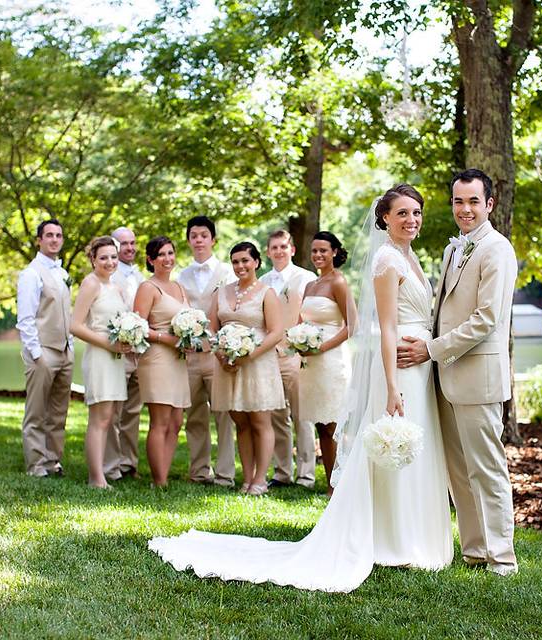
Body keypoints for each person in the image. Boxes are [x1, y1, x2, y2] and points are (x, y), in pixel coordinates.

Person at [149, 185, 453, 592]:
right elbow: (386, 328)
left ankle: (413, 534)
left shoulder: (409, 256)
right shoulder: (385, 260)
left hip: (420, 364)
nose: (411, 220)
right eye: (402, 213)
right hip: (397, 366)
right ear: (384, 219)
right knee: (389, 445)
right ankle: (393, 540)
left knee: (416, 445)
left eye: (416, 212)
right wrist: (392, 386)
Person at [397, 168, 519, 576]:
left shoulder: (497, 249)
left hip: (477, 377)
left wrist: (430, 350)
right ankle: (475, 551)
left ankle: (502, 558)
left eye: (472, 201)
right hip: (445, 376)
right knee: (459, 472)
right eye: (457, 201)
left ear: (489, 204)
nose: (464, 209)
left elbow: (486, 319)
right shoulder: (454, 250)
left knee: (487, 469)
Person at [209, 242, 285, 495]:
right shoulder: (221, 292)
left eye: (245, 260)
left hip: (258, 364)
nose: (240, 266)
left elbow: (276, 333)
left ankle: (261, 479)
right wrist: (221, 354)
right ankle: (247, 477)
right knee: (240, 420)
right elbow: (212, 329)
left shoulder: (267, 292)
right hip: (228, 364)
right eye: (235, 261)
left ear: (256, 262)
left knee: (260, 420)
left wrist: (249, 355)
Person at [176, 216, 237, 486]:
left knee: (224, 414)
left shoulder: (227, 272)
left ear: (213, 240)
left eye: (203, 235)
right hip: (190, 356)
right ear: (189, 241)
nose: (198, 240)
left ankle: (225, 473)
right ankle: (199, 470)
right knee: (195, 414)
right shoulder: (182, 276)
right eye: (193, 236)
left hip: (217, 355)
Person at [70, 237, 132, 488]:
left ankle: (103, 472)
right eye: (103, 257)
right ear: (93, 259)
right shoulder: (90, 283)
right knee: (100, 418)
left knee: (110, 417)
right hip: (100, 356)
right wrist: (107, 344)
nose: (109, 262)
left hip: (116, 358)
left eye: (113, 257)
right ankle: (96, 478)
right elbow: (74, 325)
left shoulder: (116, 288)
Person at [259, 229, 318, 489]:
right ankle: (282, 472)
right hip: (271, 356)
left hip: (299, 354)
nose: (279, 251)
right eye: (274, 247)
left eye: (284, 246)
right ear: (269, 252)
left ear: (292, 249)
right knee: (276, 415)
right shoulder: (263, 282)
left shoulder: (307, 278)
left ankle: (306, 474)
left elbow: (314, 315)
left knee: (302, 415)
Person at [17, 219, 74, 478]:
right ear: (39, 240)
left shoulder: (62, 273)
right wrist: (37, 354)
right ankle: (36, 465)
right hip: (43, 352)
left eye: (58, 235)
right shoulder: (31, 273)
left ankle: (53, 460)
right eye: (49, 235)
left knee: (58, 412)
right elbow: (26, 319)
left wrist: (69, 346)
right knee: (37, 412)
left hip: (64, 351)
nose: (54, 239)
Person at [298, 231, 354, 496]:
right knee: (321, 422)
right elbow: (303, 320)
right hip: (311, 362)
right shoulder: (310, 285)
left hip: (332, 359)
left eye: (323, 250)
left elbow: (352, 326)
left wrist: (322, 347)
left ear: (334, 252)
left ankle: (340, 485)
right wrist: (298, 342)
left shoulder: (338, 282)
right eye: (314, 251)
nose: (318, 255)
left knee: (333, 423)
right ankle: (331, 481)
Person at [134, 236, 192, 487]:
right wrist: (167, 338)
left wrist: (192, 336)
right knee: (160, 420)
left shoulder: (178, 287)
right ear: (150, 260)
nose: (168, 259)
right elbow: (138, 327)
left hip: (178, 359)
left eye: (171, 253)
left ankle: (163, 476)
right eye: (161, 255)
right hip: (157, 358)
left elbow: (190, 318)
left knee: (176, 420)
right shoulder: (148, 288)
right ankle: (159, 481)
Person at [105, 226, 145, 481]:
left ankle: (129, 463)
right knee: (113, 411)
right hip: (117, 352)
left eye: (132, 243)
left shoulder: (141, 276)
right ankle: (111, 465)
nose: (129, 248)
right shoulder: (108, 275)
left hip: (140, 354)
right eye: (124, 244)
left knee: (133, 412)